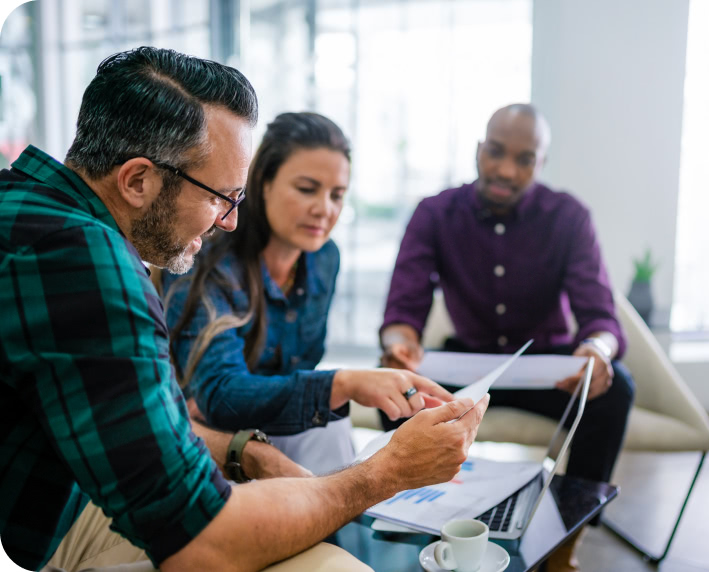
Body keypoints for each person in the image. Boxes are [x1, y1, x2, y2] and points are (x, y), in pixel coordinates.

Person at [0, 46, 488, 572]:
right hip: (52, 526)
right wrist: (387, 472)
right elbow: (203, 542)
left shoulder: (26, 207)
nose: (228, 221)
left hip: (66, 492)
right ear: (138, 180)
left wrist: (244, 450)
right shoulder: (92, 266)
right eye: (221, 197)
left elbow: (142, 425)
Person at [379, 103, 635, 571]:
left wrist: (598, 350)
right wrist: (399, 344)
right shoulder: (435, 213)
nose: (505, 170)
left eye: (524, 159)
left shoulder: (569, 216)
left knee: (616, 388)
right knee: (393, 385)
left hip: (548, 368)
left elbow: (600, 316)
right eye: (495, 153)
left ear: (540, 164)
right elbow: (403, 307)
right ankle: (407, 521)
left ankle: (565, 546)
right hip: (469, 364)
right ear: (479, 150)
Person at [162, 112, 452, 475]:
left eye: (337, 195)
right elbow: (221, 396)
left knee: (334, 436)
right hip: (202, 435)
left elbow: (298, 370)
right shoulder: (208, 261)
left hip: (274, 425)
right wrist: (343, 382)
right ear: (263, 183)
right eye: (306, 189)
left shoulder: (324, 259)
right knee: (330, 435)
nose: (324, 209)